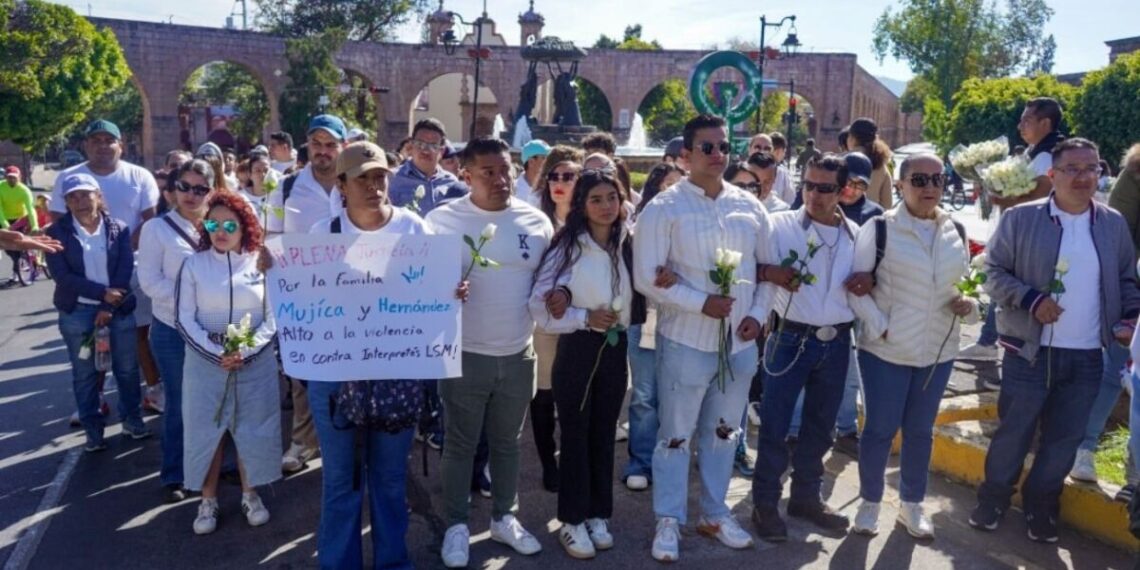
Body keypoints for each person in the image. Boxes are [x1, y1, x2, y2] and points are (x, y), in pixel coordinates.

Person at [969, 138, 1140, 543]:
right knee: (1015, 431)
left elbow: (1126, 281)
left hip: (1086, 355)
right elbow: (992, 272)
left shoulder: (1112, 223)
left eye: (1092, 168)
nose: (1083, 177)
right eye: (1073, 169)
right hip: (1029, 351)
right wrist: (1031, 299)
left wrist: (1128, 320)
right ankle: (993, 497)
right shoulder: (1022, 218)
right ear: (1052, 175)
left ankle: (1042, 503)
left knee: (1064, 439)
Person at [634, 114, 771, 562]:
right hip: (687, 340)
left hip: (740, 342)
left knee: (725, 431)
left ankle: (714, 512)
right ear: (686, 155)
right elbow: (646, 278)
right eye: (707, 148)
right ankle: (668, 519)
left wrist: (758, 315)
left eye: (723, 147)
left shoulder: (750, 206)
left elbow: (766, 270)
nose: (717, 155)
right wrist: (699, 302)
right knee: (675, 434)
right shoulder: (664, 208)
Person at [302, 141, 434, 568]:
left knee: (391, 480)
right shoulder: (322, 236)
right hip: (334, 375)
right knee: (340, 481)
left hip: (396, 371)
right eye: (362, 178)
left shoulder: (414, 229)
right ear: (341, 185)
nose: (374, 186)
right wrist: (277, 271)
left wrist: (452, 293)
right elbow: (301, 303)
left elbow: (432, 296)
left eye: (380, 177)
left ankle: (393, 562)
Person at [427, 137, 553, 568]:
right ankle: (457, 525)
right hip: (465, 354)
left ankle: (505, 517)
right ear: (466, 175)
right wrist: (443, 291)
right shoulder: (441, 221)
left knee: (508, 443)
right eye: (488, 172)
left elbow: (549, 281)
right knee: (460, 445)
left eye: (507, 170)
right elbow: (418, 282)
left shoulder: (536, 222)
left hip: (519, 352)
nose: (501, 180)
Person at [847, 153, 977, 539]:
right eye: (919, 180)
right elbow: (855, 289)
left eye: (938, 180)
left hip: (938, 349)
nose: (930, 188)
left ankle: (912, 505)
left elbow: (969, 286)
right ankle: (870, 504)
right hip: (885, 351)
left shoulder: (957, 229)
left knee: (921, 431)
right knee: (880, 430)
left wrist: (970, 307)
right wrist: (881, 327)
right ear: (900, 185)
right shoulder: (879, 228)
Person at [751, 154, 878, 542]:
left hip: (837, 340)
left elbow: (869, 280)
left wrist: (868, 280)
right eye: (808, 185)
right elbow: (747, 267)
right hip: (789, 337)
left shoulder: (856, 234)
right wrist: (770, 273)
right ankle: (765, 504)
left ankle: (806, 497)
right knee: (774, 426)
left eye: (824, 188)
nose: (814, 195)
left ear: (843, 191)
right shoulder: (778, 225)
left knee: (820, 427)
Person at [530, 168, 641, 559]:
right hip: (578, 348)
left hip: (615, 347)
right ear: (581, 204)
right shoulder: (568, 246)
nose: (606, 206)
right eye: (596, 199)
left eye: (612, 197)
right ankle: (571, 521)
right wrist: (581, 316)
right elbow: (538, 304)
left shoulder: (629, 240)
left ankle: (598, 513)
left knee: (603, 432)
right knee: (575, 434)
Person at [176, 192, 278, 535]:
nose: (221, 230)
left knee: (251, 428)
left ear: (244, 226)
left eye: (230, 224)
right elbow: (184, 318)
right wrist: (215, 352)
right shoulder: (193, 265)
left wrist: (245, 351)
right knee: (208, 431)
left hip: (254, 362)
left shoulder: (261, 263)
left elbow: (273, 317)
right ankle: (207, 500)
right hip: (206, 364)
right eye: (213, 223)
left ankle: (251, 494)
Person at [45, 173, 151, 451]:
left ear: (98, 196)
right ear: (66, 202)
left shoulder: (119, 228)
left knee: (127, 370)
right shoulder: (55, 234)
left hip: (117, 310)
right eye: (72, 197)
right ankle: (93, 430)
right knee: (85, 374)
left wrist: (107, 305)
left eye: (85, 194)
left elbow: (124, 270)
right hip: (77, 314)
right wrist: (101, 295)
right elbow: (63, 277)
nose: (80, 201)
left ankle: (132, 420)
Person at [960, 99, 1066, 364]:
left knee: (1008, 284)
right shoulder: (1036, 151)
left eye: (1027, 120)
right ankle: (988, 341)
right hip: (1021, 234)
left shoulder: (1047, 155)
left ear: (1046, 123)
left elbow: (1039, 195)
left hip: (1032, 239)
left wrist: (999, 197)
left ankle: (994, 344)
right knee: (1002, 283)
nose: (1020, 126)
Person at [272, 114, 349, 474]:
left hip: (353, 296)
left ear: (342, 147)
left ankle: (348, 439)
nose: (323, 151)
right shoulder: (283, 188)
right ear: (307, 145)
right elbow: (269, 238)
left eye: (330, 144)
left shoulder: (356, 184)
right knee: (304, 373)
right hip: (305, 298)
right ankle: (302, 442)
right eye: (317, 144)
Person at [138, 159, 214, 502]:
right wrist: (195, 297)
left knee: (215, 400)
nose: (191, 195)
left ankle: (217, 466)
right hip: (173, 329)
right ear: (173, 189)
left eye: (200, 188)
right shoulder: (157, 229)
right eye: (185, 186)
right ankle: (176, 473)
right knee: (181, 402)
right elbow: (150, 282)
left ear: (210, 191)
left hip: (212, 328)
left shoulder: (218, 224)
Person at [1075, 143, 1140, 497]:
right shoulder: (1136, 169)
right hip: (1136, 291)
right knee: (1116, 373)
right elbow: (1118, 237)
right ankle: (1084, 448)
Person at [622, 161, 684, 493]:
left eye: (679, 185)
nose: (672, 192)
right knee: (645, 394)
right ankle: (640, 462)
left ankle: (671, 460)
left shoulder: (693, 225)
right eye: (666, 185)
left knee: (677, 394)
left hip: (686, 321)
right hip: (646, 318)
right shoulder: (640, 222)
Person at [529, 145, 584, 492]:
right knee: (544, 393)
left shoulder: (590, 222)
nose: (560, 183)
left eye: (569, 176)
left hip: (580, 322)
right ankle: (548, 462)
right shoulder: (537, 222)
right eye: (554, 176)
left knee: (575, 397)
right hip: (544, 323)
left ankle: (571, 458)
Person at [388, 118, 466, 213]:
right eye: (420, 144)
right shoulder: (392, 179)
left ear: (441, 151)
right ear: (411, 146)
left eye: (433, 146)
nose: (425, 150)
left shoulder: (451, 182)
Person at [0, 166, 39, 284]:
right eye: (9, 178)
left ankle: (18, 270)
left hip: (20, 219)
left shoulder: (24, 190)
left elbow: (30, 209)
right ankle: (19, 262)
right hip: (4, 218)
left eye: (14, 178)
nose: (11, 180)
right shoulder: (1, 187)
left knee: (18, 245)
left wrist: (35, 225)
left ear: (19, 177)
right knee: (7, 247)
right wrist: (4, 223)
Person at [516, 139, 552, 205]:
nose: (550, 162)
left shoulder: (551, 188)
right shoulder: (513, 190)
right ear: (531, 162)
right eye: (545, 158)